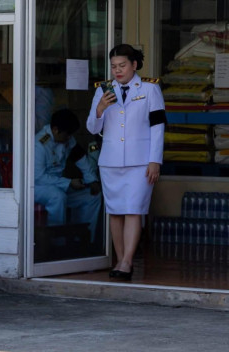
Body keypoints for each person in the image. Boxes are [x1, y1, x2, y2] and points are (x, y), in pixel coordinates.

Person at [86, 44, 166, 280]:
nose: (117, 71)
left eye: (122, 65)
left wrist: (155, 160)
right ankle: (120, 260)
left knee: (133, 209)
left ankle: (127, 261)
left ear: (134, 65)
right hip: (110, 161)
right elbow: (92, 128)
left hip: (140, 161)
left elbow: (158, 127)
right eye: (113, 67)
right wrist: (100, 109)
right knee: (115, 211)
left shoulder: (150, 89)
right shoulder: (103, 90)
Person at [35, 109, 102, 242]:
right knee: (57, 197)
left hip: (59, 185)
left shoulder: (67, 138)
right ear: (55, 130)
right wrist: (68, 183)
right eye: (67, 134)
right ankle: (56, 243)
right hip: (38, 187)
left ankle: (83, 240)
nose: (69, 138)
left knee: (92, 196)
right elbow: (38, 177)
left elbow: (81, 158)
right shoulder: (39, 144)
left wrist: (92, 180)